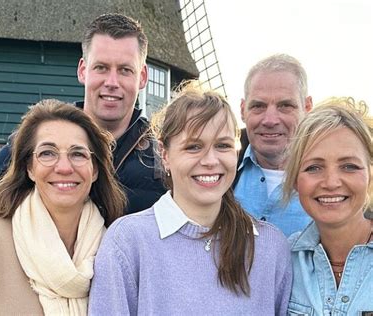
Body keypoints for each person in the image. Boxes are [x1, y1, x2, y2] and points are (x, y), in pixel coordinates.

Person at [89, 83, 292, 315]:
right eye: (194, 147)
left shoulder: (270, 247)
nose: (210, 160)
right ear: (165, 154)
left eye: (223, 145)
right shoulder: (128, 242)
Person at [0, 13, 165, 220]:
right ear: (83, 71)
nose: (112, 82)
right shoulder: (33, 141)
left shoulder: (163, 160)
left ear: (142, 77)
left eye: (125, 70)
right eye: (101, 68)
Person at [0, 99, 126, 315]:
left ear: (94, 169)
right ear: (29, 168)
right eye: (47, 153)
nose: (64, 167)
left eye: (78, 154)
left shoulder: (117, 247)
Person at [283, 97, 372, 314]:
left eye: (349, 166)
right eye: (314, 168)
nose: (331, 182)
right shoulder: (284, 259)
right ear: (295, 179)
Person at [234, 54, 313, 236]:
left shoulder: (332, 183)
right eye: (258, 106)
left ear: (307, 107)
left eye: (285, 105)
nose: (270, 120)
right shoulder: (219, 172)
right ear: (243, 110)